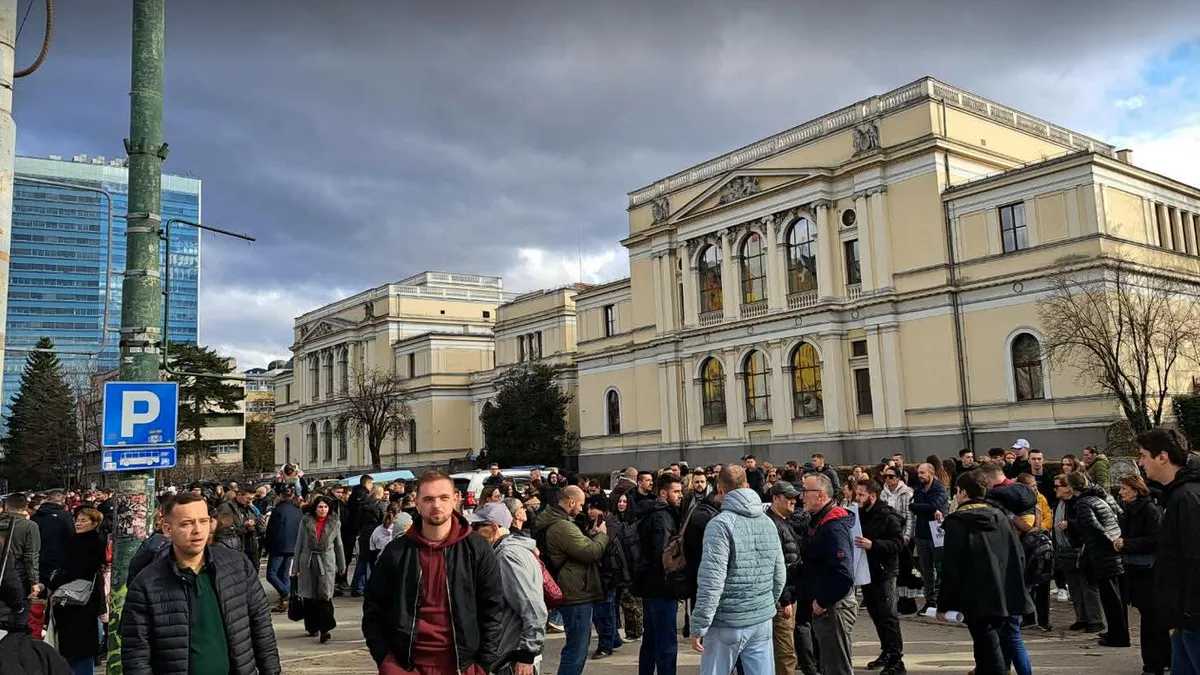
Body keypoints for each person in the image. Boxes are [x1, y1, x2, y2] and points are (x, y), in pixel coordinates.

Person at [121, 493, 281, 675]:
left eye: (203, 521)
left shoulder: (238, 566)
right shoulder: (146, 584)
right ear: (167, 529)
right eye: (187, 523)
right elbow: (136, 655)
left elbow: (262, 628)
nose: (197, 530)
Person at [362, 471, 504, 674]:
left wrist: (483, 665)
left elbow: (493, 609)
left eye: (443, 497)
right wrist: (386, 661)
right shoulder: (396, 552)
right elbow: (373, 609)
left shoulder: (477, 548)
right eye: (428, 499)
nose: (436, 505)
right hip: (406, 666)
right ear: (417, 503)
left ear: (455, 499)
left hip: (462, 666)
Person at [689, 466, 785, 675]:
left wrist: (699, 625)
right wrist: (766, 603)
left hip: (727, 620)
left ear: (720, 489)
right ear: (747, 485)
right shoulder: (767, 521)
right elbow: (779, 574)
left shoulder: (720, 525)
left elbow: (712, 581)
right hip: (761, 618)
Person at [938, 471, 1032, 675]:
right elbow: (1017, 553)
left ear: (963, 492)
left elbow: (951, 565)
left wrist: (943, 604)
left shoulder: (957, 522)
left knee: (989, 647)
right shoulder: (1000, 516)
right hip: (1003, 590)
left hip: (975, 596)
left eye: (957, 491)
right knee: (989, 643)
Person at [1136, 427, 1200, 675]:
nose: (1140, 463)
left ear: (1162, 457)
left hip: (1191, 616)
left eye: (1143, 456)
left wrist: (1183, 614)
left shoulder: (1187, 497)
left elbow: (1194, 560)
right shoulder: (1178, 494)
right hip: (1183, 617)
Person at [533, 485, 608, 675]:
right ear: (571, 502)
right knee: (577, 648)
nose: (582, 509)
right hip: (575, 592)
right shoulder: (562, 526)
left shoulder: (558, 522)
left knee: (576, 646)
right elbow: (590, 552)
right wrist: (602, 535)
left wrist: (590, 536)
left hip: (573, 588)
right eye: (581, 505)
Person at [469, 502, 547, 675]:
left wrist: (526, 654)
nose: (473, 532)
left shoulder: (507, 556)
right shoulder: (510, 551)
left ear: (494, 528)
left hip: (512, 657)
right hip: (511, 654)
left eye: (477, 527)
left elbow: (533, 609)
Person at [798, 473, 857, 675]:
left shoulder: (833, 527)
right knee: (829, 664)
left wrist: (822, 602)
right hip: (828, 604)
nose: (801, 496)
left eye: (806, 491)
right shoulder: (821, 521)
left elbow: (843, 574)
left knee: (837, 667)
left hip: (834, 606)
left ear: (821, 495)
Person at [1065, 471, 1128, 647]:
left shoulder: (1083, 503)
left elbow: (1093, 526)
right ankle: (1117, 632)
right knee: (1116, 596)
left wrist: (1110, 540)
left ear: (1072, 487)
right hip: (1113, 549)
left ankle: (1118, 636)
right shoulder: (1102, 496)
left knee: (1110, 597)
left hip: (1102, 553)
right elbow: (1119, 514)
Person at [1115, 473, 1168, 675]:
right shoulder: (1131, 510)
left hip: (1147, 571)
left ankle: (1154, 664)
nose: (1121, 492)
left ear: (1135, 490)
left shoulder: (1148, 510)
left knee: (1151, 620)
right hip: (1136, 569)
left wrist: (1126, 543)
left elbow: (1155, 540)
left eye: (1124, 488)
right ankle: (1158, 661)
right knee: (1149, 618)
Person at [855, 479, 907, 675]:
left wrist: (873, 545)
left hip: (884, 572)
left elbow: (898, 544)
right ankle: (886, 651)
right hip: (867, 571)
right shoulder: (860, 514)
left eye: (861, 495)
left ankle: (896, 659)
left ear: (873, 496)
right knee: (876, 614)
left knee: (888, 616)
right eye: (857, 494)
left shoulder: (887, 516)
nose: (857, 498)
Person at [635, 473, 684, 674]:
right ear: (664, 493)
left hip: (650, 586)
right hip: (661, 588)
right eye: (676, 491)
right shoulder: (662, 517)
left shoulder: (654, 512)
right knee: (665, 643)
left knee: (651, 639)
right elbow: (663, 555)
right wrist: (673, 579)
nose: (680, 495)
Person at [50, 507, 107, 675]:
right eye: (77, 520)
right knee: (77, 644)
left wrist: (54, 584)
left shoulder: (89, 543)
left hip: (78, 597)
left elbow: (73, 569)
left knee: (79, 645)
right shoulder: (80, 540)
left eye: (83, 520)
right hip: (77, 597)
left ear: (94, 523)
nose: (78, 523)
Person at [1052, 473, 1104, 633]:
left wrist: (1070, 523)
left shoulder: (1079, 503)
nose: (1055, 489)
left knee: (1087, 586)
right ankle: (1081, 618)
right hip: (1064, 550)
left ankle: (1095, 619)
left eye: (1058, 486)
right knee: (1074, 587)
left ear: (1068, 487)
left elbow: (1089, 523)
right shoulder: (1059, 504)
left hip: (1080, 550)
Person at [293, 495, 346, 643]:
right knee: (309, 595)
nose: (323, 510)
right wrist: (295, 566)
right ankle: (312, 626)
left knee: (325, 595)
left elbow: (339, 544)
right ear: (315, 508)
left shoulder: (335, 522)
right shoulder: (305, 521)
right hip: (308, 560)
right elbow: (299, 543)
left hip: (326, 561)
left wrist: (342, 564)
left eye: (325, 507)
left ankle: (325, 629)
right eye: (320, 507)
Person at [765, 481, 803, 675]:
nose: (793, 501)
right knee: (785, 651)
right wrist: (785, 598)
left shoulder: (783, 522)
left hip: (788, 595)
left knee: (785, 648)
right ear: (776, 498)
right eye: (789, 498)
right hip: (782, 599)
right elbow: (776, 565)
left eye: (794, 497)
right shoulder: (772, 524)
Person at [910, 462, 948, 613]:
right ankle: (930, 601)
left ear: (931, 473)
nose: (919, 475)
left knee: (941, 568)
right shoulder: (918, 489)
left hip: (937, 534)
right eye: (919, 472)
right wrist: (921, 507)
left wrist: (918, 507)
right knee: (926, 571)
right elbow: (914, 507)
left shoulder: (939, 489)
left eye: (922, 472)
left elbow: (934, 505)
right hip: (922, 534)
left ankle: (945, 600)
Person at [0, 493, 41, 613]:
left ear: (6, 506)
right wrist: (34, 582)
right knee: (18, 612)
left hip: (5, 573)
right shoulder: (29, 526)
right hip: (19, 576)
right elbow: (31, 556)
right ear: (25, 507)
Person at [264, 486, 302, 612]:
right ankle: (286, 600)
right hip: (293, 546)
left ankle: (286, 595)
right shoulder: (297, 510)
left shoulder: (277, 510)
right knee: (285, 574)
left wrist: (267, 546)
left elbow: (271, 530)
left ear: (280, 495)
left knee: (271, 574)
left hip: (278, 546)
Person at [31, 490, 73, 590]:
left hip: (39, 556)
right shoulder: (65, 515)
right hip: (59, 556)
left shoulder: (35, 516)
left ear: (47, 499)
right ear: (62, 501)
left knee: (40, 586)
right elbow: (71, 535)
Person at [354, 484, 387, 596]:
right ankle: (371, 587)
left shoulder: (362, 504)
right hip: (376, 533)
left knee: (362, 561)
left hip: (364, 533)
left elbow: (358, 521)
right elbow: (384, 520)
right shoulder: (382, 504)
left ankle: (357, 587)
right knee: (374, 561)